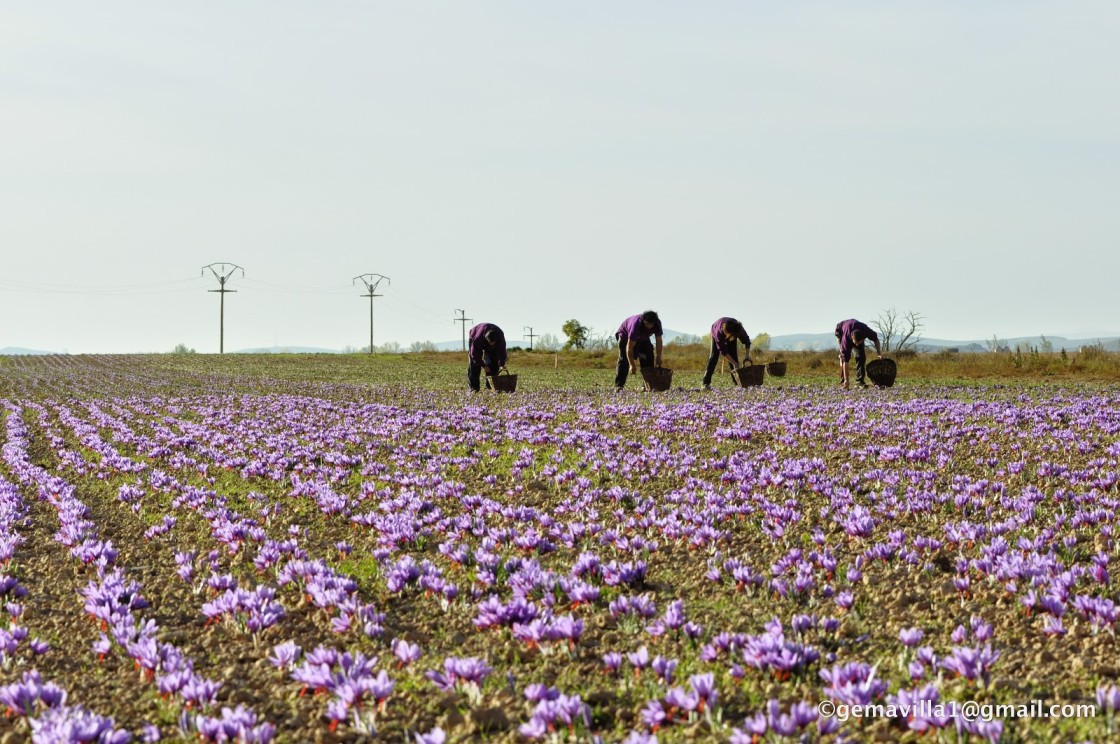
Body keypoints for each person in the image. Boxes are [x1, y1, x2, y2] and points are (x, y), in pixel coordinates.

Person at [615, 310, 663, 389]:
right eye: (648, 324)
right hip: (625, 337)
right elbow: (629, 347)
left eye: (652, 324)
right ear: (644, 321)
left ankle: (647, 385)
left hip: (643, 337)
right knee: (624, 360)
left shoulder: (657, 323)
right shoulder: (636, 325)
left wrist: (658, 357)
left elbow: (659, 341)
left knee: (648, 356)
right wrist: (632, 364)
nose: (650, 326)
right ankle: (619, 385)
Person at [703, 318, 752, 389]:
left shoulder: (738, 329)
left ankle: (737, 382)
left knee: (733, 355)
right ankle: (705, 383)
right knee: (714, 356)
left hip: (732, 332)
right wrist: (734, 363)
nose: (728, 339)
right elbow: (723, 351)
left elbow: (747, 341)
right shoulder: (718, 333)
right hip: (716, 328)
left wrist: (747, 355)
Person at [834, 318, 882, 389]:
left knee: (861, 357)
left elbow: (876, 339)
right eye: (855, 343)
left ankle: (860, 381)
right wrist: (847, 379)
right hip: (840, 331)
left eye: (859, 343)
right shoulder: (846, 339)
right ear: (852, 338)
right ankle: (844, 381)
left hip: (856, 329)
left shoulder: (866, 330)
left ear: (863, 339)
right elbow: (845, 361)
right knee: (843, 357)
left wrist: (879, 353)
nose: (856, 345)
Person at [467, 322, 507, 392]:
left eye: (493, 343)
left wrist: (502, 363)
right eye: (490, 342)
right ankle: (474, 388)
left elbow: (502, 350)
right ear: (487, 339)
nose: (491, 344)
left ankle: (491, 386)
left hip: (491, 341)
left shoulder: (500, 336)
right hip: (475, 334)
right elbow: (475, 355)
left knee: (494, 364)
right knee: (474, 365)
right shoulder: (477, 338)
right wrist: (484, 366)